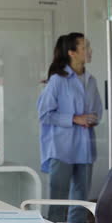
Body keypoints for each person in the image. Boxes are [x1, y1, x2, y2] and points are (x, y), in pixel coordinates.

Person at [37, 32, 102, 223]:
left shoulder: (91, 81)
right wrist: (74, 118)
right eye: (85, 47)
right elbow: (44, 114)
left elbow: (97, 111)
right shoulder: (57, 80)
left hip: (85, 147)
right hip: (61, 148)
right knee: (58, 199)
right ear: (72, 52)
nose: (90, 51)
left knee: (80, 200)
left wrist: (92, 118)